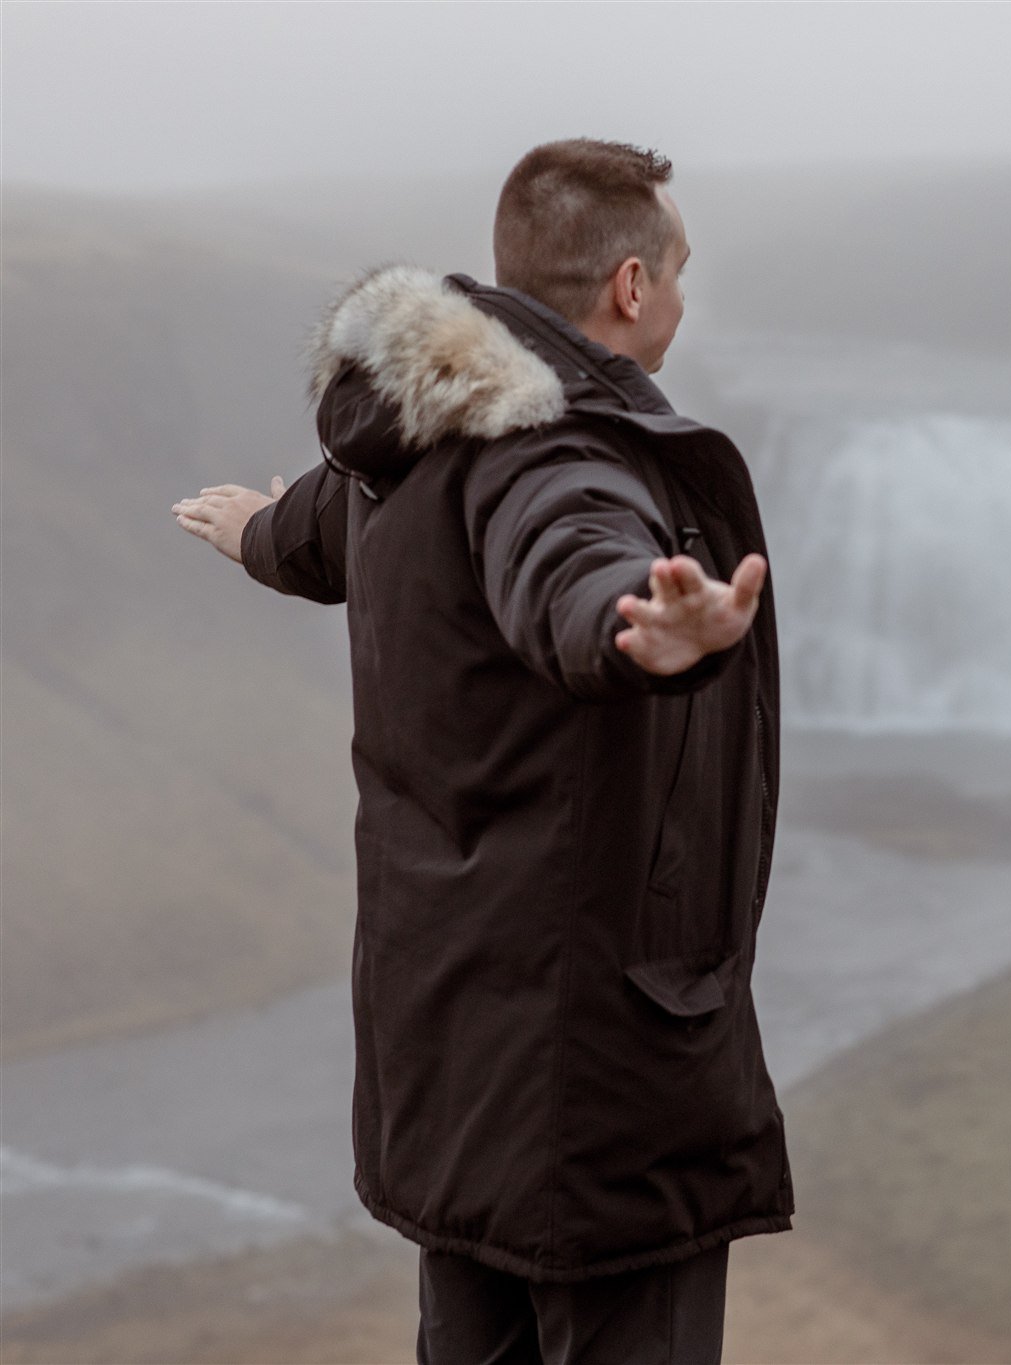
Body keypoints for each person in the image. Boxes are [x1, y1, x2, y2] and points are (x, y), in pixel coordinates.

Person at [173, 139, 788, 1365]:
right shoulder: (553, 447)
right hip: (598, 1087)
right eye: (676, 274)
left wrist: (256, 533)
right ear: (628, 285)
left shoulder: (412, 429)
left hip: (455, 1063)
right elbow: (567, 553)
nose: (678, 299)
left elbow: (330, 525)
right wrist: (642, 629)